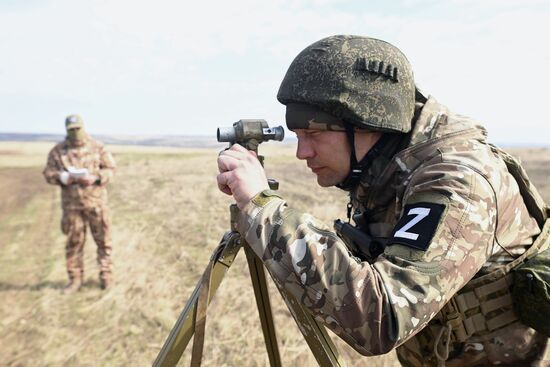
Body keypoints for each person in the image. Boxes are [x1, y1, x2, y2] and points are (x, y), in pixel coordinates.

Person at [217, 35, 549, 366]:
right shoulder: (389, 164)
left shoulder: (456, 182)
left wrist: (265, 210)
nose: (302, 152)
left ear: (370, 125)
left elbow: (383, 317)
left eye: (314, 134)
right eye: (298, 136)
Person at [43, 114, 116, 293]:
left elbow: (110, 169)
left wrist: (95, 178)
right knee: (73, 243)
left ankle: (106, 277)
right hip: (72, 208)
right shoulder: (58, 151)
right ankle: (75, 280)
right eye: (71, 130)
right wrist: (62, 177)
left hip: (96, 205)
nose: (75, 132)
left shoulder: (98, 147)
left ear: (83, 128)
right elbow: (48, 173)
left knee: (104, 242)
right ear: (66, 130)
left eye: (78, 129)